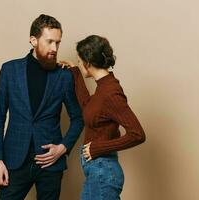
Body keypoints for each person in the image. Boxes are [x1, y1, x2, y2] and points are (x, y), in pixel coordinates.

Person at [0, 14, 84, 200]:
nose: (54, 48)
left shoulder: (63, 76)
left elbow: (78, 118)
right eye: (49, 42)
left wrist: (63, 147)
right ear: (33, 40)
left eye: (57, 43)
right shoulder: (9, 70)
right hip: (15, 160)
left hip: (51, 163)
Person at [59, 35, 146, 200]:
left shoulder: (110, 93)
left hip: (103, 172)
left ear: (88, 62)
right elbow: (87, 106)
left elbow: (138, 134)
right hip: (96, 172)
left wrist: (98, 148)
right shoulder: (103, 88)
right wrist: (75, 72)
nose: (78, 64)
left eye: (79, 61)